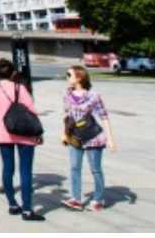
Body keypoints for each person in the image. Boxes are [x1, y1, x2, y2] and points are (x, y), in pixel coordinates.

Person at [0, 58, 45, 222]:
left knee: (7, 168)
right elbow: (31, 109)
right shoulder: (20, 88)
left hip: (3, 132)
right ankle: (27, 210)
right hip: (24, 132)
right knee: (25, 171)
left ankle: (12, 204)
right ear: (12, 72)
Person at [61, 66, 117, 212]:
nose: (66, 77)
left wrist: (110, 139)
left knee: (95, 170)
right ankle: (76, 199)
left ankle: (98, 199)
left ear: (79, 77)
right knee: (74, 168)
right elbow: (67, 117)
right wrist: (64, 134)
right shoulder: (67, 95)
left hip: (93, 137)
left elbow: (104, 117)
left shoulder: (93, 95)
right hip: (75, 136)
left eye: (69, 74)